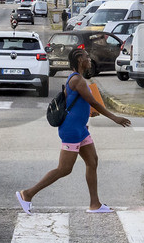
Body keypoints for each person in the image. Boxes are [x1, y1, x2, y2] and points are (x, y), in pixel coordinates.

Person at [17, 49, 131, 214]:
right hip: (71, 130)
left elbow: (77, 102)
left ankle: (95, 204)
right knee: (64, 169)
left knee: (92, 162)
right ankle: (27, 194)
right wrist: (114, 118)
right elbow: (93, 102)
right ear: (79, 60)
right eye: (86, 57)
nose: (89, 59)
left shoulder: (78, 79)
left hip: (80, 129)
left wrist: (87, 113)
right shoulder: (77, 80)